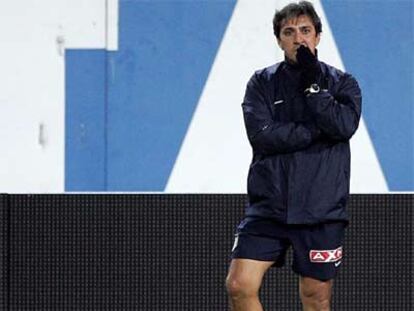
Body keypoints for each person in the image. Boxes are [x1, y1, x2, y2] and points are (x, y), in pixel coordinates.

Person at [225, 1, 362, 310]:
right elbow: (261, 135)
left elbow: (343, 126)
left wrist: (314, 87)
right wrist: (315, 131)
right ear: (279, 40)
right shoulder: (261, 82)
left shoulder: (342, 83)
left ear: (317, 36)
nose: (298, 38)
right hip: (268, 208)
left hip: (320, 210)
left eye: (305, 30)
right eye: (289, 32)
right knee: (238, 285)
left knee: (316, 298)